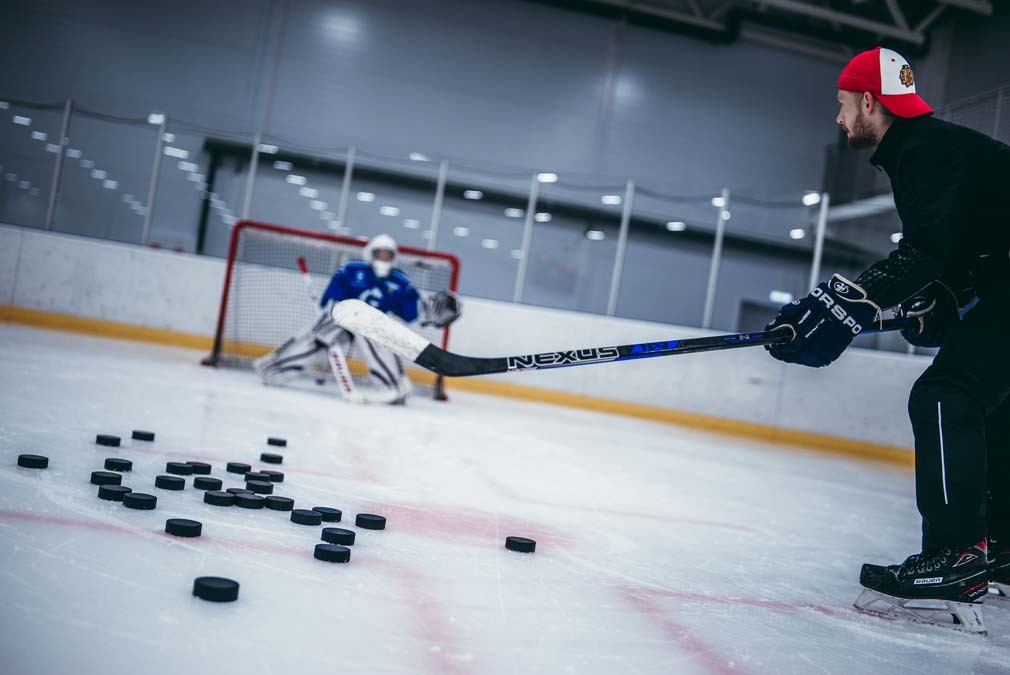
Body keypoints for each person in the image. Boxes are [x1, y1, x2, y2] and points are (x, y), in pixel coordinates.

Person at [765, 46, 1009, 633]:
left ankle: (954, 558)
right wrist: (942, 300)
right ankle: (997, 550)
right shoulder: (941, 150)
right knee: (993, 406)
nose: (840, 117)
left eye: (843, 104)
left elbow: (924, 251)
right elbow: (960, 248)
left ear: (870, 102)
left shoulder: (922, 151)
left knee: (946, 396)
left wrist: (844, 301)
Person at [253, 233, 460, 404]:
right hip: (343, 322)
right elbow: (332, 302)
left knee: (380, 332)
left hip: (372, 328)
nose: (383, 258)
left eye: (387, 255)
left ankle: (392, 385)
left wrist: (430, 314)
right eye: (379, 253)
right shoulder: (351, 270)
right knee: (320, 330)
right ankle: (276, 367)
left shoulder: (401, 282)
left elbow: (413, 313)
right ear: (370, 253)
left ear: (393, 257)